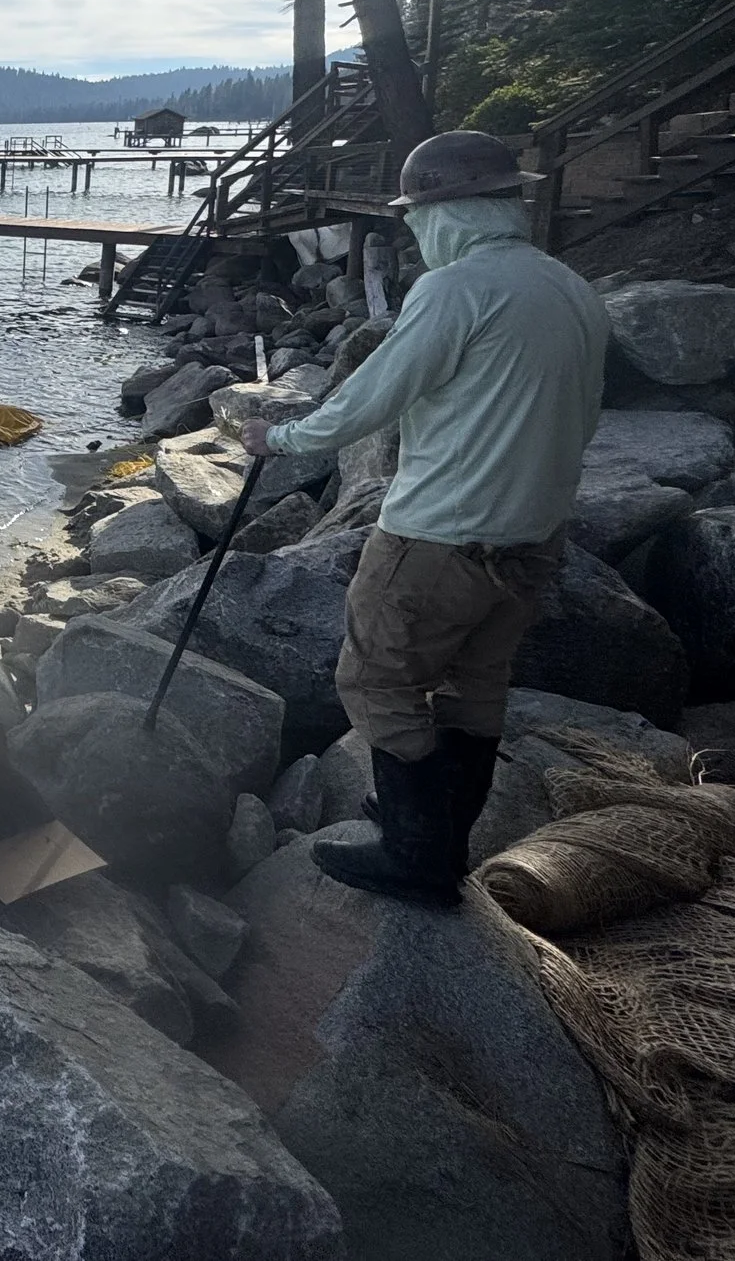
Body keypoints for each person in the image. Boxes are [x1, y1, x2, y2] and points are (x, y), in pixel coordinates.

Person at [238, 131, 607, 907]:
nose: (413, 231)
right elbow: (585, 414)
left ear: (448, 211)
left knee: (373, 679)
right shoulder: (570, 287)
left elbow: (375, 395)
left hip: (440, 533)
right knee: (476, 682)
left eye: (417, 216)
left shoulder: (456, 289)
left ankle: (417, 853)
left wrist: (282, 437)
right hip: (534, 538)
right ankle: (441, 829)